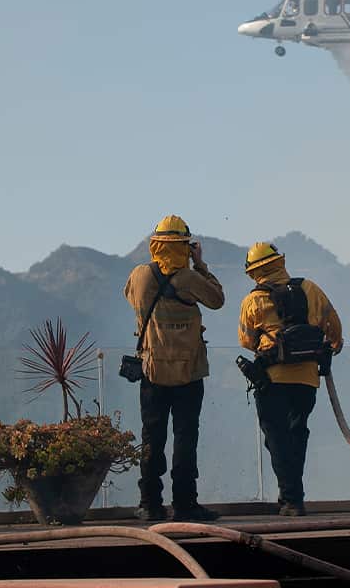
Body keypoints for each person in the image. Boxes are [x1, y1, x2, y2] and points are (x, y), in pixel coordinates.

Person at [123, 215, 225, 522]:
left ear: (156, 244)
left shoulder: (140, 275)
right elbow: (218, 300)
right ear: (184, 246)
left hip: (151, 371)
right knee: (185, 437)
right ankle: (185, 504)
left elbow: (131, 298)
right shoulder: (190, 279)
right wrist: (200, 265)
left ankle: (149, 503)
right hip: (189, 373)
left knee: (152, 437)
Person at [238, 242, 343, 517]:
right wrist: (334, 343)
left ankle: (291, 499)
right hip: (307, 378)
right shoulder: (310, 288)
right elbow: (333, 323)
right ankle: (293, 497)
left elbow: (246, 340)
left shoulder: (253, 300)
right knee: (297, 433)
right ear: (280, 262)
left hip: (271, 379)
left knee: (276, 437)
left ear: (253, 272)